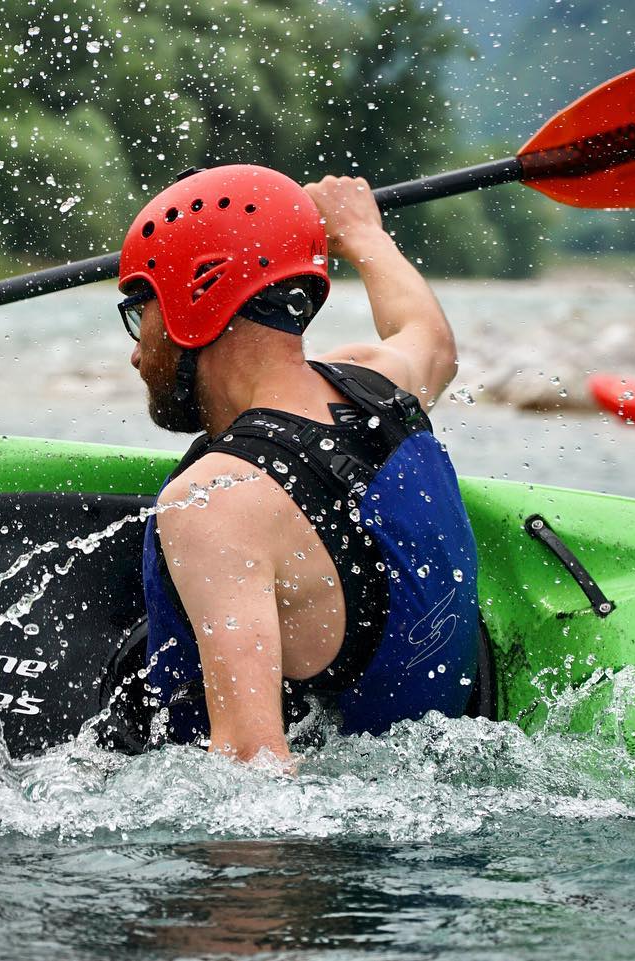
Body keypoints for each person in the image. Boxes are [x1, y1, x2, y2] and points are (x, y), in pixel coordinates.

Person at [116, 165, 483, 764]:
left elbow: (253, 771)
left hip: (335, 839)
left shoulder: (217, 502)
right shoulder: (378, 388)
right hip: (436, 777)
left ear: (193, 302)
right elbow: (430, 339)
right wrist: (364, 235)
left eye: (141, 313)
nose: (135, 353)